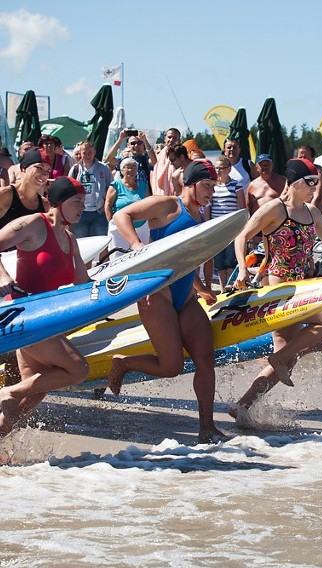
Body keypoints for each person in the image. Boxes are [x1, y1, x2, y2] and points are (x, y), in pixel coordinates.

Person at [228, 158, 322, 416]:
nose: (314, 188)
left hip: (299, 289)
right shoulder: (274, 209)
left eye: (317, 183)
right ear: (294, 182)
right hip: (277, 291)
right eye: (310, 183)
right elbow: (241, 236)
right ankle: (271, 367)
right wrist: (242, 268)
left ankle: (242, 406)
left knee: (289, 358)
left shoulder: (312, 212)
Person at [107, 160, 226, 443]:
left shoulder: (202, 221)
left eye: (214, 187)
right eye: (207, 186)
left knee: (205, 360)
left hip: (185, 297)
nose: (211, 192)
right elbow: (121, 215)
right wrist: (137, 246)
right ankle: (123, 363)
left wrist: (201, 288)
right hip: (156, 296)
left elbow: (185, 261)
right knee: (171, 367)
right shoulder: (169, 206)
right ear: (191, 183)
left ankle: (206, 427)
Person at [0, 177, 91, 464]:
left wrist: (128, 289)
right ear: (59, 203)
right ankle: (8, 390)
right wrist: (3, 277)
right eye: (76, 201)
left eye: (83, 201)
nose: (82, 207)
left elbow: (84, 284)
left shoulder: (70, 238)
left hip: (45, 320)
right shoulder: (33, 225)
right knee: (78, 369)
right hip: (24, 317)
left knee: (35, 394)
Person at [205, 154, 245, 290]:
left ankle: (231, 286)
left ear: (229, 169)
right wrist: (207, 226)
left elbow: (242, 207)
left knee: (230, 259)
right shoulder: (213, 186)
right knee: (219, 262)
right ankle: (223, 289)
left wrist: (242, 226)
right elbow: (208, 207)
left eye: (221, 168)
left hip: (232, 228)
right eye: (216, 168)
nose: (218, 171)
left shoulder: (236, 185)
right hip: (216, 228)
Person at [68, 140, 113, 238]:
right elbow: (69, 189)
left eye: (90, 153)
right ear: (80, 153)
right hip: (80, 211)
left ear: (94, 153)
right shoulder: (75, 169)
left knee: (101, 241)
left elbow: (111, 189)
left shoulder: (104, 168)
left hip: (99, 211)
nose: (87, 155)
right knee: (81, 242)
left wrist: (107, 206)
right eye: (85, 153)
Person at [105, 157, 148, 256]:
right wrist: (112, 222)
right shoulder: (115, 185)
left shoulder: (143, 185)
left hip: (141, 227)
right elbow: (107, 205)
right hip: (120, 228)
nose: (131, 170)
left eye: (134, 168)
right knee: (118, 256)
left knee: (141, 255)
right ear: (122, 170)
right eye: (128, 167)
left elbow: (147, 203)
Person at [150, 127, 182, 196]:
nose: (171, 140)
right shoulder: (158, 156)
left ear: (179, 140)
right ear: (165, 139)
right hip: (159, 194)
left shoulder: (182, 157)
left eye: (174, 138)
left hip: (176, 195)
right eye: (169, 137)